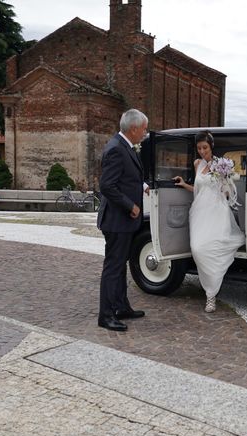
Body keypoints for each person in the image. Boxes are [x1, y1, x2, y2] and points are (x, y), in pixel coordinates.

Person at [173, 131, 245, 312]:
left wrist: (226, 182)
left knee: (211, 249)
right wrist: (184, 184)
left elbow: (227, 192)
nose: (202, 151)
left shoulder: (221, 164)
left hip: (217, 211)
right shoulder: (197, 164)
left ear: (211, 147)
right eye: (199, 148)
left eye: (205, 147)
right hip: (199, 212)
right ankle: (211, 289)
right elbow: (198, 190)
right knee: (197, 249)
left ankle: (210, 295)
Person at [96, 109, 148, 332]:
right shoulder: (116, 149)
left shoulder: (125, 146)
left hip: (124, 221)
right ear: (134, 128)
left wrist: (142, 187)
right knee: (113, 267)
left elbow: (127, 178)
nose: (145, 133)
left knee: (120, 267)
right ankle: (105, 315)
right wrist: (131, 205)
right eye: (144, 129)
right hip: (117, 220)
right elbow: (107, 185)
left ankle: (121, 307)